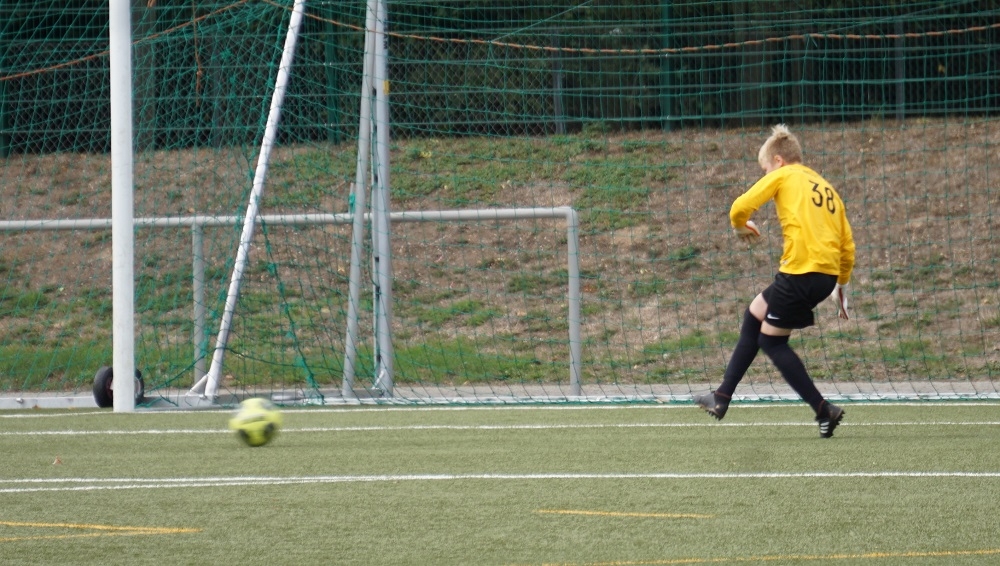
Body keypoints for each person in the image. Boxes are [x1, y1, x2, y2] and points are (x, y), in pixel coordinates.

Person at [695, 124, 855, 438]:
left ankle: (823, 409)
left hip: (800, 272)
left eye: (765, 169)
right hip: (825, 276)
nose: (766, 174)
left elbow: (739, 207)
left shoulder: (784, 175)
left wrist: (740, 226)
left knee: (771, 341)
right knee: (755, 313)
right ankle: (722, 396)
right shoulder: (827, 188)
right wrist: (841, 285)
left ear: (778, 161)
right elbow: (847, 245)